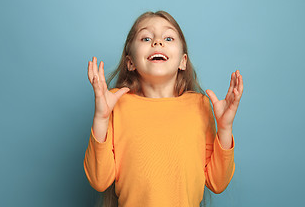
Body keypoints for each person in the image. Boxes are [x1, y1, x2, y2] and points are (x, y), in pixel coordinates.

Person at [83, 10, 244, 207]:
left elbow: (218, 183)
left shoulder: (199, 105)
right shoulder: (118, 104)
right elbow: (99, 181)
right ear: (130, 62)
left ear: (183, 61)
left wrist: (225, 128)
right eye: (146, 38)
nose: (157, 42)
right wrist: (101, 117)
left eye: (168, 37)